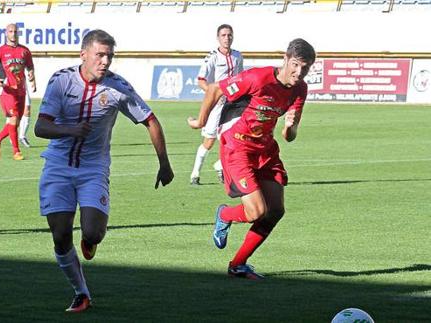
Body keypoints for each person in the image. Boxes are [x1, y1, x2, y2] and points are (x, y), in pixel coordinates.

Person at [35, 29, 174, 312]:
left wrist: (164, 163)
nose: (105, 61)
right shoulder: (61, 81)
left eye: (109, 55)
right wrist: (70, 130)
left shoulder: (117, 87)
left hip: (93, 169)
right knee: (60, 234)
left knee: (93, 233)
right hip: (58, 166)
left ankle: (90, 239)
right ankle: (81, 292)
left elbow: (150, 120)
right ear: (83, 54)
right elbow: (41, 127)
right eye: (100, 55)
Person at [188, 38, 316, 279]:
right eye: (296, 65)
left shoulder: (300, 89)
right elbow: (216, 88)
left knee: (276, 210)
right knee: (257, 211)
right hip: (238, 148)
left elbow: (289, 136)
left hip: (266, 150)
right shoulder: (258, 78)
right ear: (286, 59)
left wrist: (290, 127)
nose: (299, 73)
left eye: (306, 68)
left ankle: (238, 265)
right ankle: (225, 214)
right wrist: (202, 121)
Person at [190, 24, 243, 185]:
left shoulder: (238, 56)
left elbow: (241, 77)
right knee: (209, 141)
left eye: (229, 35)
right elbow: (201, 80)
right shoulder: (212, 57)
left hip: (233, 104)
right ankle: (195, 174)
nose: (227, 38)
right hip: (216, 105)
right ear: (218, 38)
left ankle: (221, 166)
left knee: (234, 139)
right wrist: (213, 94)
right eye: (224, 35)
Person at [0, 23, 36, 160]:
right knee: (13, 120)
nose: (13, 34)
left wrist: (32, 77)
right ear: (6, 33)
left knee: (16, 122)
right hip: (7, 90)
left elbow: (30, 67)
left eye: (15, 31)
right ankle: (16, 151)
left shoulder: (24, 51)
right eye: (10, 31)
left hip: (21, 90)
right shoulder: (0, 51)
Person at [0, 62, 33, 148]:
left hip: (21, 85)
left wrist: (33, 79)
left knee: (25, 112)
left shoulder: (23, 51)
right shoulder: (2, 52)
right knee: (13, 118)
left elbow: (29, 65)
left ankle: (20, 136)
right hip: (8, 87)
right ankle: (16, 149)